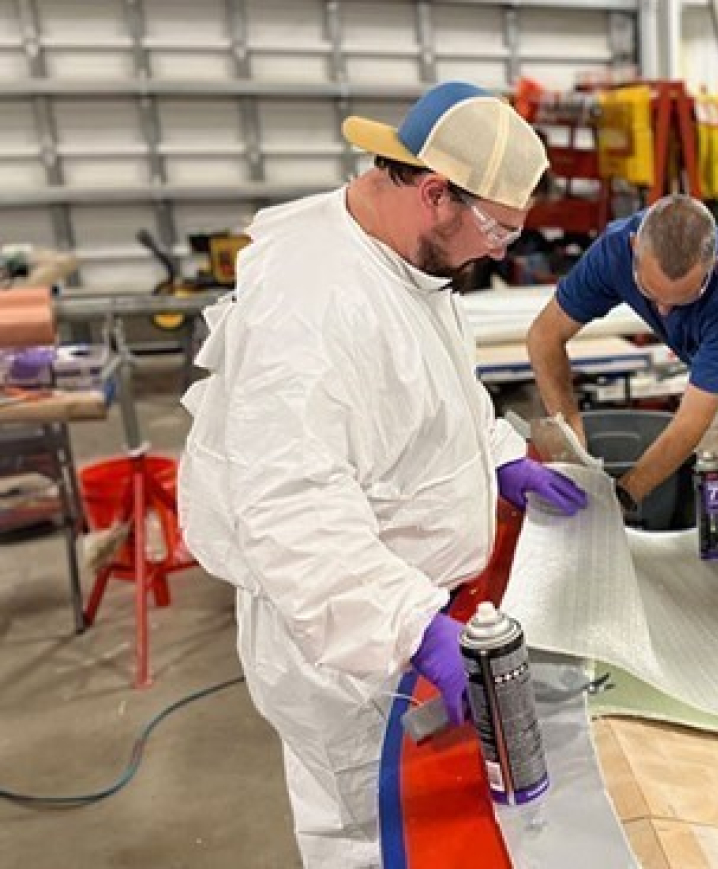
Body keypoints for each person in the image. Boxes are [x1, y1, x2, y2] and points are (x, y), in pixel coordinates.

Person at [177, 81, 588, 868]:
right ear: (436, 193)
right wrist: (409, 626)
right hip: (340, 646)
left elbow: (437, 389)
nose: (502, 249)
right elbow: (292, 508)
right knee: (368, 830)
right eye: (497, 228)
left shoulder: (400, 259)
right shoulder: (312, 308)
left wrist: (498, 459)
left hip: (396, 611)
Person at [527, 194, 718, 509]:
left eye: (684, 299)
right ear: (633, 249)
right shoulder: (614, 250)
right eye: (649, 293)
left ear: (715, 263)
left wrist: (622, 497)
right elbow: (544, 335)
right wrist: (569, 435)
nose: (665, 311)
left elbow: (689, 423)